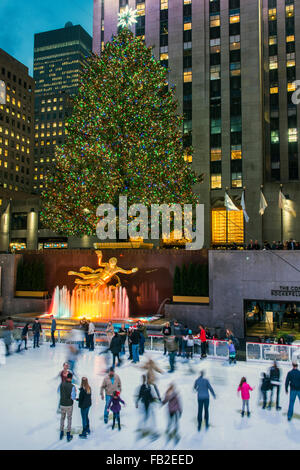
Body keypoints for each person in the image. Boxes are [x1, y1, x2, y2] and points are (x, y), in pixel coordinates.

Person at [135, 375, 159, 440]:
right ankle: (146, 431)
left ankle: (148, 430)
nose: (144, 380)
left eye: (144, 379)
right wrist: (137, 402)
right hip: (146, 404)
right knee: (148, 417)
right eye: (143, 379)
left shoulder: (148, 386)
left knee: (149, 417)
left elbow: (150, 395)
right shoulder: (142, 387)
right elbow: (140, 395)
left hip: (149, 403)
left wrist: (154, 399)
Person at [59, 372, 76, 442]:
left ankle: (61, 432)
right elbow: (73, 397)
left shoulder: (61, 384)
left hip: (62, 404)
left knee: (62, 418)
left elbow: (60, 392)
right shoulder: (72, 386)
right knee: (69, 418)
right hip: (69, 405)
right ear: (71, 378)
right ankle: (68, 434)